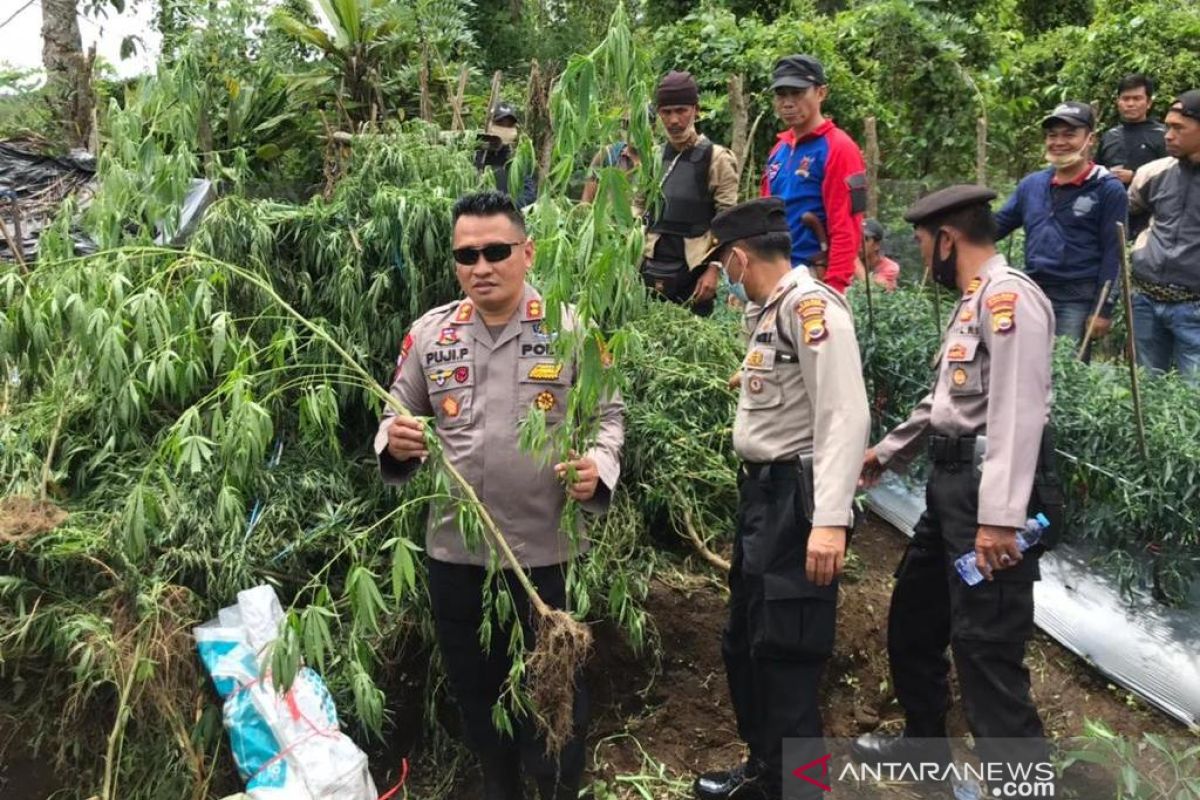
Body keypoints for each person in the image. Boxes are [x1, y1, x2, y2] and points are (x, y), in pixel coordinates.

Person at [374, 190, 624, 800]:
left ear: (527, 251)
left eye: (495, 251)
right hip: (456, 553)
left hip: (544, 551)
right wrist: (395, 439)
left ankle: (559, 787)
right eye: (467, 254)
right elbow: (395, 410)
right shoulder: (431, 335)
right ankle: (497, 782)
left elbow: (609, 415)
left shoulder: (572, 329)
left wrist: (598, 465)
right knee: (475, 684)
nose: (481, 266)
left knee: (556, 685)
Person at [854, 186, 1061, 795]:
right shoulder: (973, 302)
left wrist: (1000, 519)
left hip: (987, 498)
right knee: (915, 620)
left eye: (922, 244)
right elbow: (947, 403)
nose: (922, 258)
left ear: (947, 238)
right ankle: (925, 749)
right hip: (949, 492)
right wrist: (886, 453)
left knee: (985, 651)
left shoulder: (1009, 299)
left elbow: (1017, 413)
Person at [693, 198, 870, 800]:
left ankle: (801, 788)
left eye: (723, 264)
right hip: (763, 501)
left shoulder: (813, 309)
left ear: (738, 258)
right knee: (748, 641)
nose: (724, 276)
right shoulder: (772, 314)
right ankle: (768, 772)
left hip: (796, 504)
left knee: (789, 654)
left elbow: (845, 415)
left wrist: (830, 521)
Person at [994, 101, 1127, 350]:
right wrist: (961, 231)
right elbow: (998, 225)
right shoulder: (1031, 184)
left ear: (1091, 139)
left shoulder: (1108, 188)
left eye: (1069, 134)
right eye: (1052, 135)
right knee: (1029, 367)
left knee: (1068, 373)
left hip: (1077, 299)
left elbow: (1115, 253)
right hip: (1033, 294)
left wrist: (1103, 308)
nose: (1059, 142)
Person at [760, 54, 867, 294]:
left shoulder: (839, 148)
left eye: (797, 93)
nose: (787, 103)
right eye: (781, 94)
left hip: (813, 277)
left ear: (821, 93)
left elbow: (846, 226)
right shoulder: (779, 150)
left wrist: (834, 288)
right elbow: (765, 217)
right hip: (775, 275)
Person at [641, 70, 739, 317]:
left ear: (695, 110)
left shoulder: (717, 159)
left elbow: (728, 219)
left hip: (695, 275)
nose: (674, 120)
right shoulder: (653, 157)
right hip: (652, 269)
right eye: (667, 112)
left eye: (681, 111)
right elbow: (639, 205)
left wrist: (714, 269)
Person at [1127, 89, 1200, 385]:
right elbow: (1125, 211)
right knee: (1148, 390)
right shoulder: (1152, 173)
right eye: (1168, 126)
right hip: (1146, 299)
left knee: (1193, 400)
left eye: (1178, 128)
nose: (1168, 135)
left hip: (1194, 308)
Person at [1097, 74, 1168, 186]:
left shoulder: (1163, 135)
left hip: (1149, 201)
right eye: (1125, 99)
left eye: (1137, 99)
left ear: (1149, 103)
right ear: (1118, 102)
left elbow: (1172, 176)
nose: (1130, 104)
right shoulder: (1109, 136)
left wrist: (1134, 177)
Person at [474, 102, 538, 207]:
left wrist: (507, 206)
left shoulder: (518, 159)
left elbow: (529, 195)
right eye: (500, 124)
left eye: (509, 125)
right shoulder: (476, 153)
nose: (505, 129)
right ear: (490, 125)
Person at [856, 218, 900, 291]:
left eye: (865, 239)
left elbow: (871, 288)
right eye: (856, 237)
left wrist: (854, 259)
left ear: (877, 245)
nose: (859, 243)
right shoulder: (849, 263)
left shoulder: (890, 268)